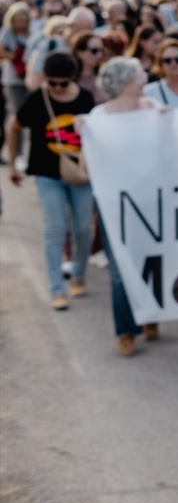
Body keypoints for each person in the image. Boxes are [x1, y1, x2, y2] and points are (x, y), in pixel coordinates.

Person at [7, 52, 94, 310]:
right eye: (52, 83)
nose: (57, 88)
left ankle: (78, 273)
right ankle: (57, 288)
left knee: (83, 229)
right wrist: (13, 163)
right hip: (47, 174)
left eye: (63, 83)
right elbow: (14, 127)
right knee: (55, 229)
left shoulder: (85, 98)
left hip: (80, 173)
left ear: (72, 79)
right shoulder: (37, 99)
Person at [91, 57, 160, 354]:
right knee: (121, 265)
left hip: (150, 196)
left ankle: (151, 314)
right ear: (123, 83)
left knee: (152, 258)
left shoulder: (152, 108)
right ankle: (125, 329)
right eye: (137, 76)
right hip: (114, 202)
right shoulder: (98, 117)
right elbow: (88, 164)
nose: (144, 79)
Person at [1, 1, 32, 124]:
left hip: (28, 78)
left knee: (28, 112)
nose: (22, 23)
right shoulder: (8, 32)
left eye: (24, 20)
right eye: (19, 20)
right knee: (17, 114)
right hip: (13, 79)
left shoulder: (30, 32)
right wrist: (15, 56)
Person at [70, 30, 107, 103]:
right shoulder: (68, 78)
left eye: (101, 50)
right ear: (79, 52)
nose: (99, 55)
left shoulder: (106, 76)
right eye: (94, 50)